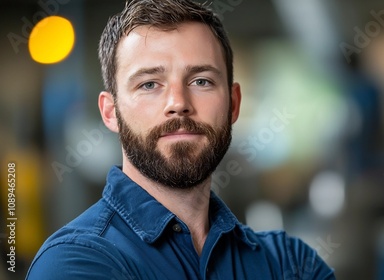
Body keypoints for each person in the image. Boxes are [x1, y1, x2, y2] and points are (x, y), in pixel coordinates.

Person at [26, 0, 336, 279]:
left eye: (201, 81)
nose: (178, 102)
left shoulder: (289, 264)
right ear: (110, 113)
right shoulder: (73, 263)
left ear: (234, 104)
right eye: (149, 84)